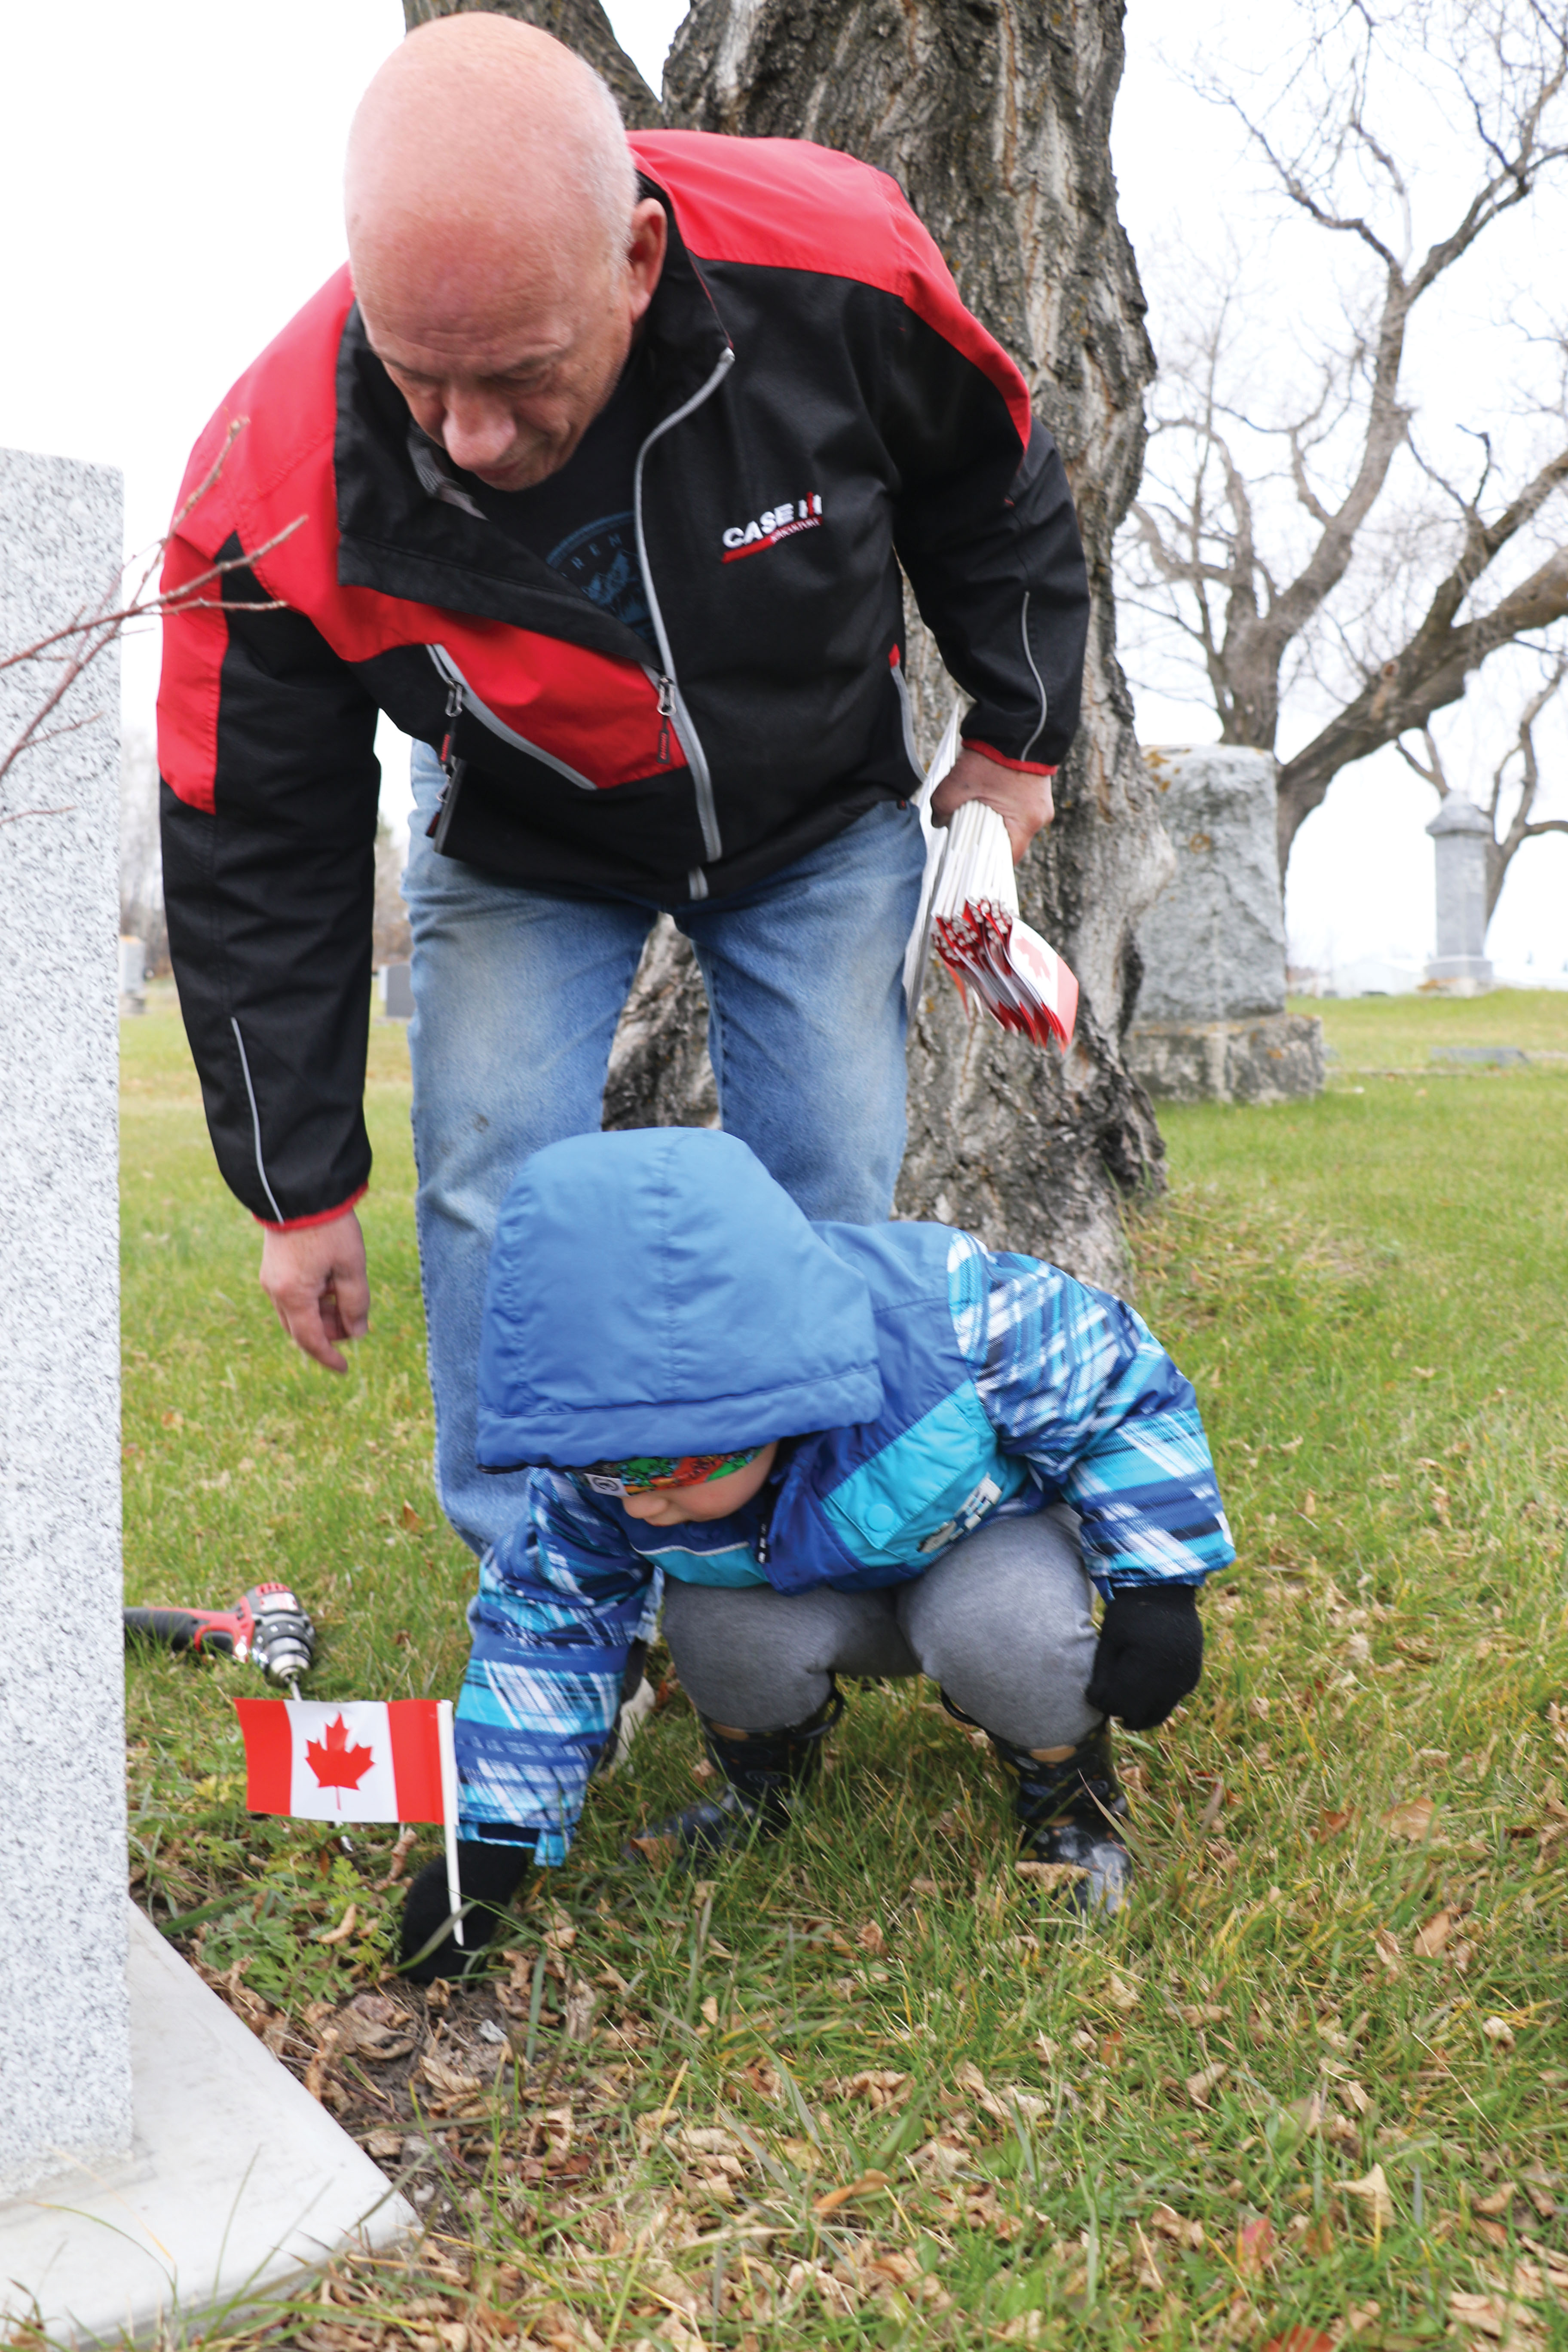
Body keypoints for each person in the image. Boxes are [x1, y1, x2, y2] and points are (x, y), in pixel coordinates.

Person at [156, 14, 1091, 1588]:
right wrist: (295, 1184)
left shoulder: (834, 262)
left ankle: (794, 1574)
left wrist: (1013, 737)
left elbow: (987, 477)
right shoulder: (268, 484)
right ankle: (544, 1592)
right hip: (526, 836)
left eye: (519, 378)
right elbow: (256, 841)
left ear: (638, 260)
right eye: (420, 380)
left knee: (822, 1197)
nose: (466, 433)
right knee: (491, 1189)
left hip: (812, 811)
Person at [397, 1127, 1233, 1979]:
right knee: (715, 1623)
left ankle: (1072, 1808)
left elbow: (1124, 1389)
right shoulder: (602, 1484)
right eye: (602, 1465)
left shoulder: (946, 1320)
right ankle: (765, 1790)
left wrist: (1157, 1591)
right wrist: (491, 1850)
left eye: (668, 1463)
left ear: (768, 1393)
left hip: (987, 1543)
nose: (639, 1497)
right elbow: (549, 1633)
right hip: (796, 1586)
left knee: (1000, 1628)